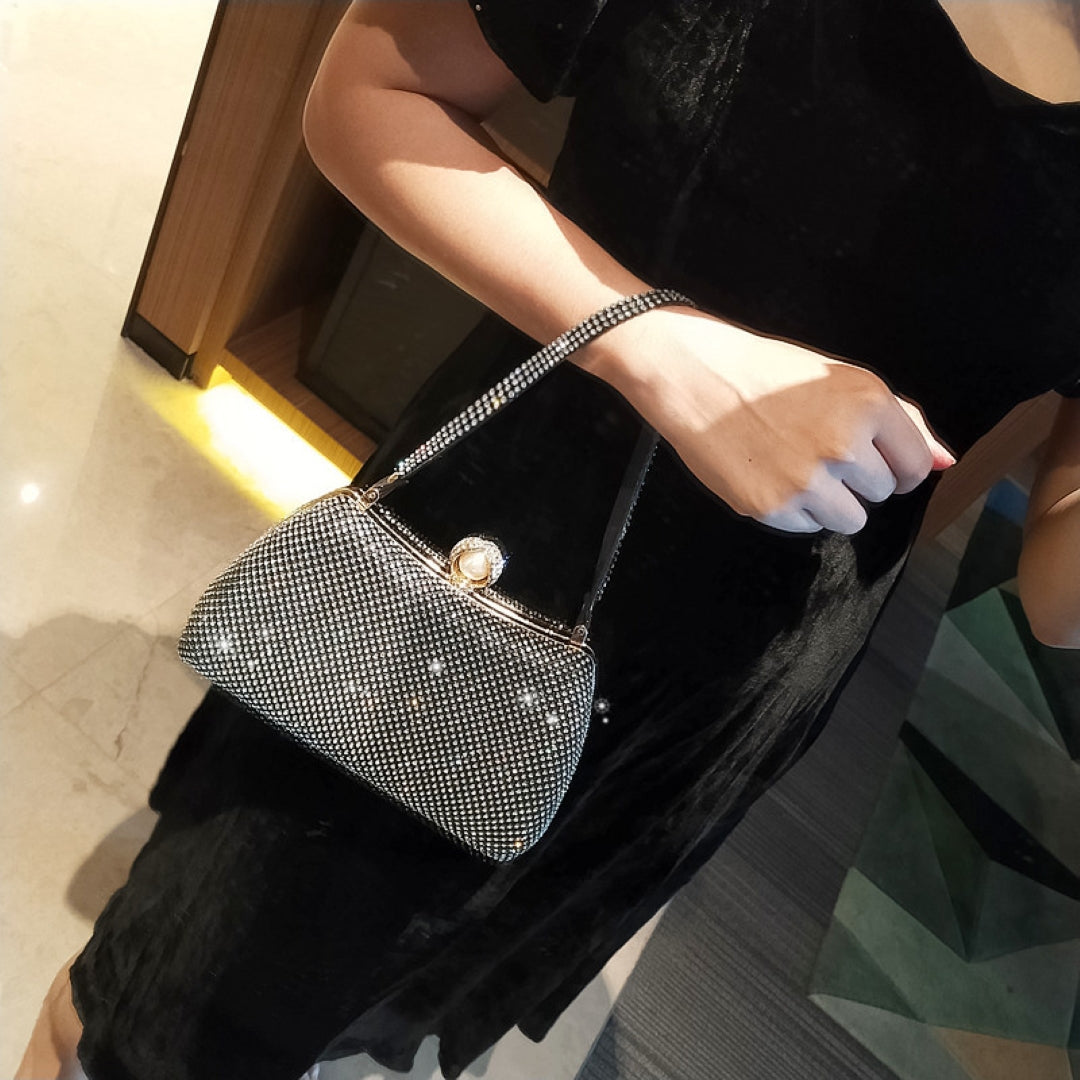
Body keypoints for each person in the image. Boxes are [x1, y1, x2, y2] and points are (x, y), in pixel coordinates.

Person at [18, 1, 1080, 1078]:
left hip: (722, 704)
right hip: (473, 590)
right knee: (154, 1019)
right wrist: (665, 353)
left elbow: (1055, 594)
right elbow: (366, 94)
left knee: (392, 987)